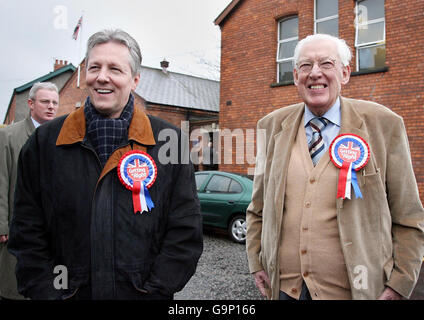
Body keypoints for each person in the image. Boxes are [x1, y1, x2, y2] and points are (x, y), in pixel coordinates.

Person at [8, 29, 203, 300]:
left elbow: (184, 233)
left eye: (115, 69)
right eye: (94, 67)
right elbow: (27, 230)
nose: (102, 76)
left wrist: (154, 291)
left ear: (134, 80)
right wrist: (49, 293)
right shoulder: (44, 142)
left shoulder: (170, 143)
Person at [246, 34, 424, 300]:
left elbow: (409, 216)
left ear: (344, 73)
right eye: (306, 66)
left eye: (326, 64)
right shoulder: (270, 126)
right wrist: (256, 261)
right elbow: (257, 206)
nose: (315, 73)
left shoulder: (384, 124)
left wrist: (400, 283)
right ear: (295, 77)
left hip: (357, 292)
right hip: (285, 290)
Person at [0, 82, 59, 300]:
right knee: (14, 286)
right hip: (17, 226)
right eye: (45, 102)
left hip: (51, 228)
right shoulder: (9, 137)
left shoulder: (63, 138)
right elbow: (1, 179)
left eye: (54, 102)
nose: (51, 107)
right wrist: (2, 224)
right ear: (31, 104)